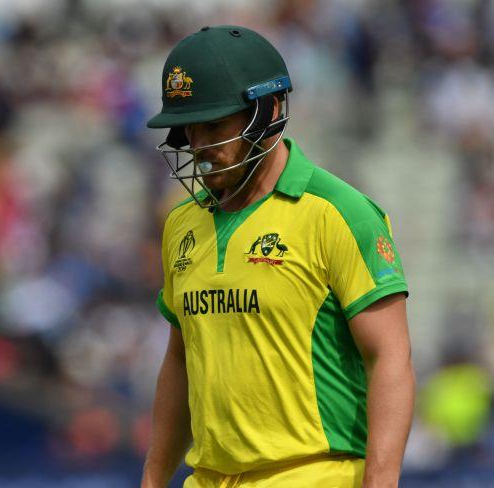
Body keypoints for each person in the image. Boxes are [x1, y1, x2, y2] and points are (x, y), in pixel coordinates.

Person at [141, 25, 415, 488]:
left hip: (311, 473)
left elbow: (390, 356)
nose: (200, 146)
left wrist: (380, 482)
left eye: (214, 125)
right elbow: (180, 360)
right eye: (190, 128)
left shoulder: (338, 212)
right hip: (207, 478)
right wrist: (152, 480)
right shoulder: (181, 224)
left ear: (268, 111)